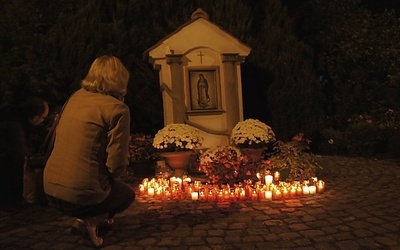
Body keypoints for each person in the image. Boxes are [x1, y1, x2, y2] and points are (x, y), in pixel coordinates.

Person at [43, 55, 134, 248]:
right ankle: (91, 223)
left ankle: (82, 219)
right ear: (120, 79)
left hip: (50, 188)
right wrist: (112, 175)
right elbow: (116, 164)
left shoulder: (75, 97)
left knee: (92, 180)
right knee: (125, 194)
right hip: (80, 193)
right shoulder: (118, 109)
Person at [0, 97, 49, 205]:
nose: (43, 122)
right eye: (43, 118)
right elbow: (21, 156)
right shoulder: (13, 127)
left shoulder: (18, 120)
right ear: (35, 116)